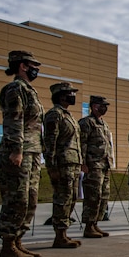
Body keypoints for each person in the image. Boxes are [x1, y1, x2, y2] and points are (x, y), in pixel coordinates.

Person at [0, 50, 44, 257]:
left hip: (32, 153)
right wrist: (17, 150)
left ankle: (17, 242)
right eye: (33, 65)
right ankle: (7, 245)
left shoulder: (29, 90)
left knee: (30, 200)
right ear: (23, 66)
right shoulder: (14, 89)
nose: (37, 69)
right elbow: (14, 121)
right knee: (17, 199)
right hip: (19, 152)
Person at [44, 82, 83, 248]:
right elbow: (49, 141)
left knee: (71, 199)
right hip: (62, 164)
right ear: (61, 95)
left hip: (73, 164)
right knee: (62, 199)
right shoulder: (54, 115)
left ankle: (64, 233)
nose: (73, 96)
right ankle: (59, 235)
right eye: (70, 93)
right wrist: (51, 166)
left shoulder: (69, 116)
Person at [79, 95, 113, 238]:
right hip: (93, 166)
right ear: (94, 106)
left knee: (103, 196)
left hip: (104, 165)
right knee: (93, 196)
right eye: (102, 105)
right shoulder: (86, 123)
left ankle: (95, 224)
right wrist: (83, 163)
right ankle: (88, 225)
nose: (104, 108)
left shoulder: (104, 124)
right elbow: (82, 144)